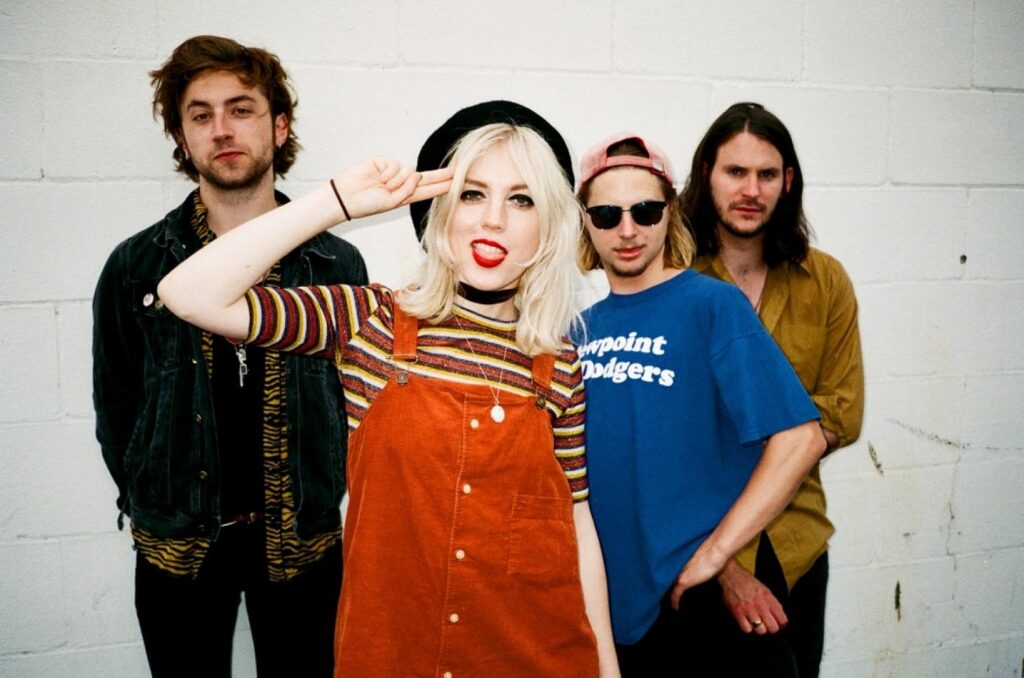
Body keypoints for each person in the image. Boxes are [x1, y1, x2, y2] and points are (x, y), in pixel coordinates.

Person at [157, 103, 620, 676]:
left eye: (521, 199)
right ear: (439, 211)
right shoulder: (368, 322)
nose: (493, 220)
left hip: (532, 657)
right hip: (396, 655)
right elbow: (188, 294)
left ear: (548, 227)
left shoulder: (560, 363)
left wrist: (607, 668)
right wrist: (337, 203)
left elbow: (576, 522)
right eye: (472, 194)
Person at [92, 35, 367, 677]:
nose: (222, 129)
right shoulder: (137, 266)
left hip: (303, 544)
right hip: (178, 551)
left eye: (241, 109)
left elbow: (351, 404)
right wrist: (157, 500)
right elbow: (117, 409)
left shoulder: (335, 263)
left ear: (279, 125)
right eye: (201, 114)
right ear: (182, 139)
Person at [575, 131, 827, 676]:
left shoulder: (711, 304)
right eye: (607, 215)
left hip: (695, 609)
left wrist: (716, 556)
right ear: (585, 222)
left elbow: (800, 438)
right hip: (613, 610)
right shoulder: (577, 331)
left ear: (670, 213)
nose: (627, 230)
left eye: (645, 211)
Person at [682, 102, 864, 677]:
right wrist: (726, 570)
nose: (750, 190)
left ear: (787, 182)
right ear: (707, 174)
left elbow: (843, 412)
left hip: (795, 545)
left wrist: (746, 441)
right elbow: (659, 445)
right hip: (695, 554)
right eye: (735, 172)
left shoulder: (825, 280)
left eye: (766, 174)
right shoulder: (671, 279)